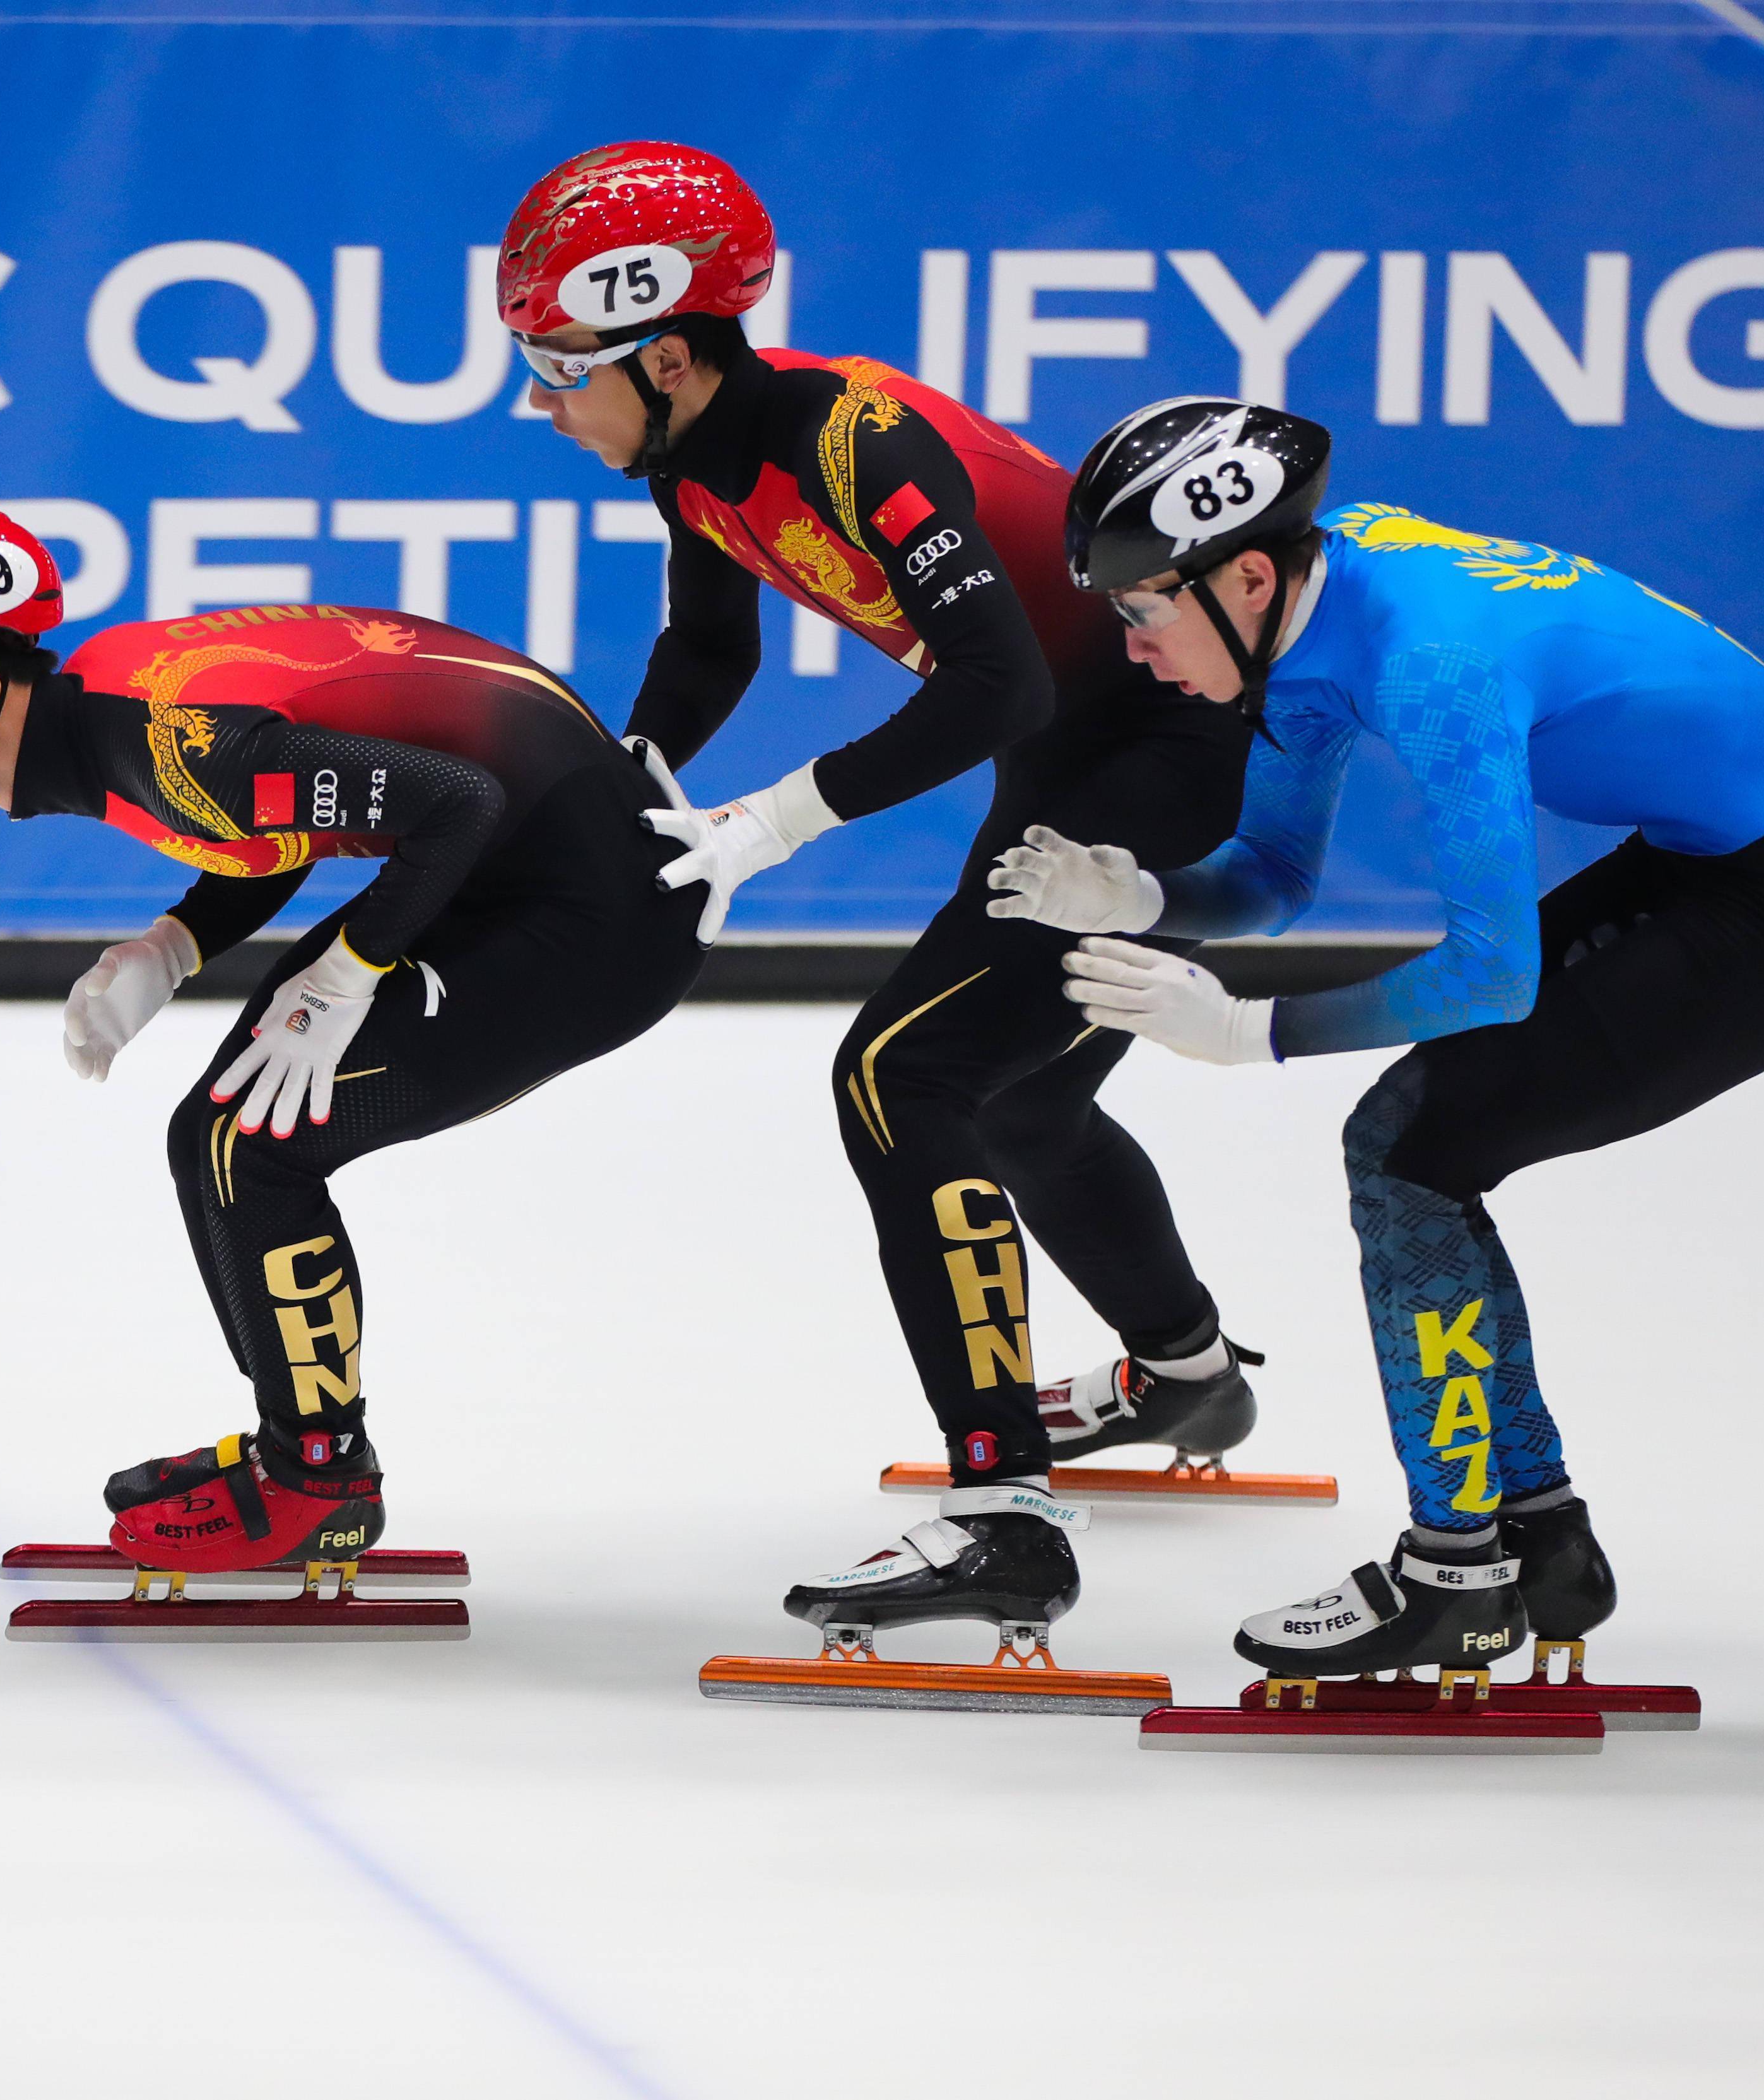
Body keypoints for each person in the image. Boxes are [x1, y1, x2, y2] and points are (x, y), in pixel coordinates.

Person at [500, 140, 1264, 1661]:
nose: (540, 401)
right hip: (1072, 753)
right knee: (1021, 1104)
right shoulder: (691, 457)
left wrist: (772, 825)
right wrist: (627, 781)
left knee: (901, 1075)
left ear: (663, 353)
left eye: (554, 366)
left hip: (1152, 752)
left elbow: (1000, 679)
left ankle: (1004, 1517)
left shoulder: (855, 440)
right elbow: (713, 653)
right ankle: (1186, 1373)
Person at [991, 393, 1764, 1676]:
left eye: (1142, 606)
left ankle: (1461, 1572)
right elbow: (1275, 871)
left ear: (1239, 575)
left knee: (1408, 1153)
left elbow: (1491, 976)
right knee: (1416, 1151)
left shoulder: (1429, 663)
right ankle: (1531, 1540)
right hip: (1718, 851)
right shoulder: (1315, 590)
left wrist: (1251, 1032)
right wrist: (1144, 896)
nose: (1131, 647)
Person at [0, 502, 701, 1570]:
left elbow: (455, 798)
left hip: (595, 913)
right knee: (218, 1137)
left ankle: (319, 1480)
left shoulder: (161, 742)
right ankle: (298, 1451)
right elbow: (277, 807)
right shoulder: (121, 706)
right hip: (538, 865)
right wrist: (177, 943)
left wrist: (347, 973)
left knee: (246, 1146)